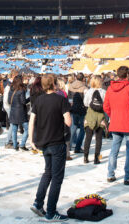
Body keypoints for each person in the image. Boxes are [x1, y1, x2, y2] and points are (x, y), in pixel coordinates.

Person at [29, 74, 72, 222]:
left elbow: (32, 120)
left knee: (47, 173)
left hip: (43, 142)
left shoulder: (39, 100)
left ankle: (38, 203)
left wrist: (31, 139)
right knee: (56, 178)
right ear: (54, 84)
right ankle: (51, 211)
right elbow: (68, 122)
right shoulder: (61, 100)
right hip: (57, 142)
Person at [104, 66, 129, 185]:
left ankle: (110, 174)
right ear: (128, 75)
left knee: (114, 148)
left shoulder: (110, 88)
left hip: (115, 122)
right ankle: (127, 176)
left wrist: (113, 115)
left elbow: (106, 106)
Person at [83, 76, 106, 164]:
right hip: (100, 114)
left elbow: (85, 103)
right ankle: (96, 158)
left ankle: (85, 157)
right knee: (99, 138)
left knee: (88, 137)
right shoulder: (104, 92)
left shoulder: (89, 91)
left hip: (90, 114)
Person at [8, 75, 30, 151]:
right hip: (21, 112)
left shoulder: (11, 89)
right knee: (27, 129)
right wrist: (29, 99)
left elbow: (8, 101)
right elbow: (23, 102)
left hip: (13, 111)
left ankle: (15, 145)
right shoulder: (21, 90)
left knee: (14, 130)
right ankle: (22, 144)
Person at [68, 74, 87, 154]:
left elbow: (69, 98)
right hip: (82, 109)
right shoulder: (84, 88)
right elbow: (86, 101)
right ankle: (78, 147)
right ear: (83, 79)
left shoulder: (70, 86)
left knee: (73, 127)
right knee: (82, 129)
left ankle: (68, 146)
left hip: (73, 108)